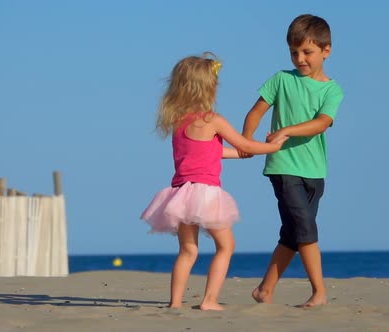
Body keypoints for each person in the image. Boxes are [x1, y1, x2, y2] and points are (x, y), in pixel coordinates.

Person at [141, 52, 288, 311]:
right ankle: (209, 300)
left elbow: (211, 152)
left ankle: (175, 303)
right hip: (206, 193)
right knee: (226, 245)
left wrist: (241, 154)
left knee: (188, 251)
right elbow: (243, 142)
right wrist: (273, 147)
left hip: (181, 194)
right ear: (208, 89)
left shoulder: (178, 123)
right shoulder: (213, 120)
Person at [241, 14, 344, 307]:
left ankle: (264, 289)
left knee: (293, 233)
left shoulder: (332, 90)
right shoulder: (281, 80)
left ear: (326, 51)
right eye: (294, 52)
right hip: (283, 167)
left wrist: (286, 130)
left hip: (315, 170)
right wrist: (248, 141)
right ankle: (319, 292)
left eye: (307, 52)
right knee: (307, 231)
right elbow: (256, 112)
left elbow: (322, 123)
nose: (300, 58)